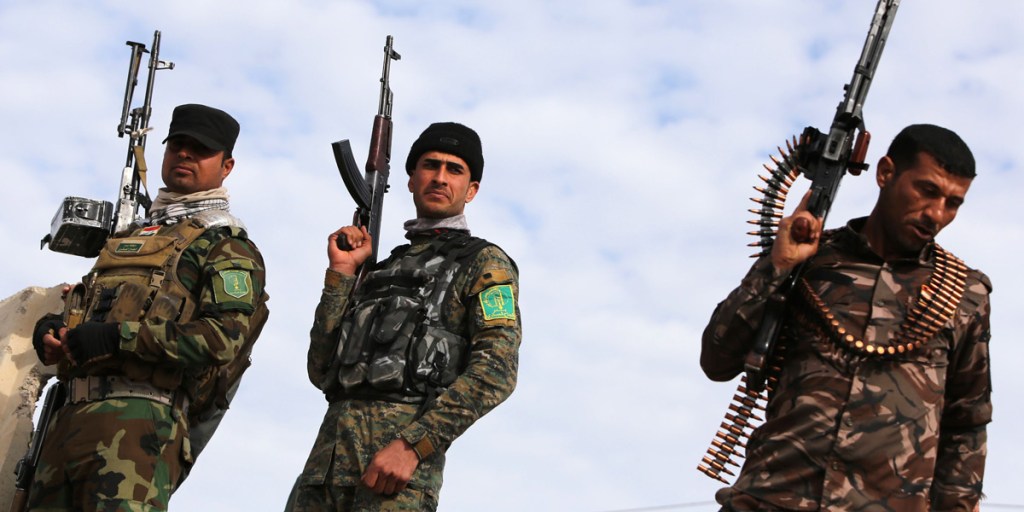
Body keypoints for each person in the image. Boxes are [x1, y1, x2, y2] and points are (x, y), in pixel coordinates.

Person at [701, 124, 991, 511]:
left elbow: (966, 426)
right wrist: (776, 267)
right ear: (886, 173)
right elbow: (717, 361)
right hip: (770, 500)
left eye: (953, 203)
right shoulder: (807, 257)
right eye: (927, 190)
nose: (937, 214)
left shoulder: (963, 294)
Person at [29, 103, 270, 511]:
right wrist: (52, 330)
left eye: (200, 149)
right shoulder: (130, 239)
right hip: (68, 419)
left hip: (142, 420)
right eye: (177, 145)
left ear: (227, 165)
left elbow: (222, 340)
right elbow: (86, 306)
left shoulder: (225, 245)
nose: (185, 155)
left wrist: (115, 338)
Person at [287, 122, 521, 511]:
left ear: (472, 190)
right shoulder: (379, 268)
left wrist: (414, 446)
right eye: (430, 166)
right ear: (412, 180)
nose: (440, 177)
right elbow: (321, 369)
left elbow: (497, 371)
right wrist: (342, 275)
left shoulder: (483, 262)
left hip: (396, 483)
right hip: (324, 473)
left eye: (455, 169)